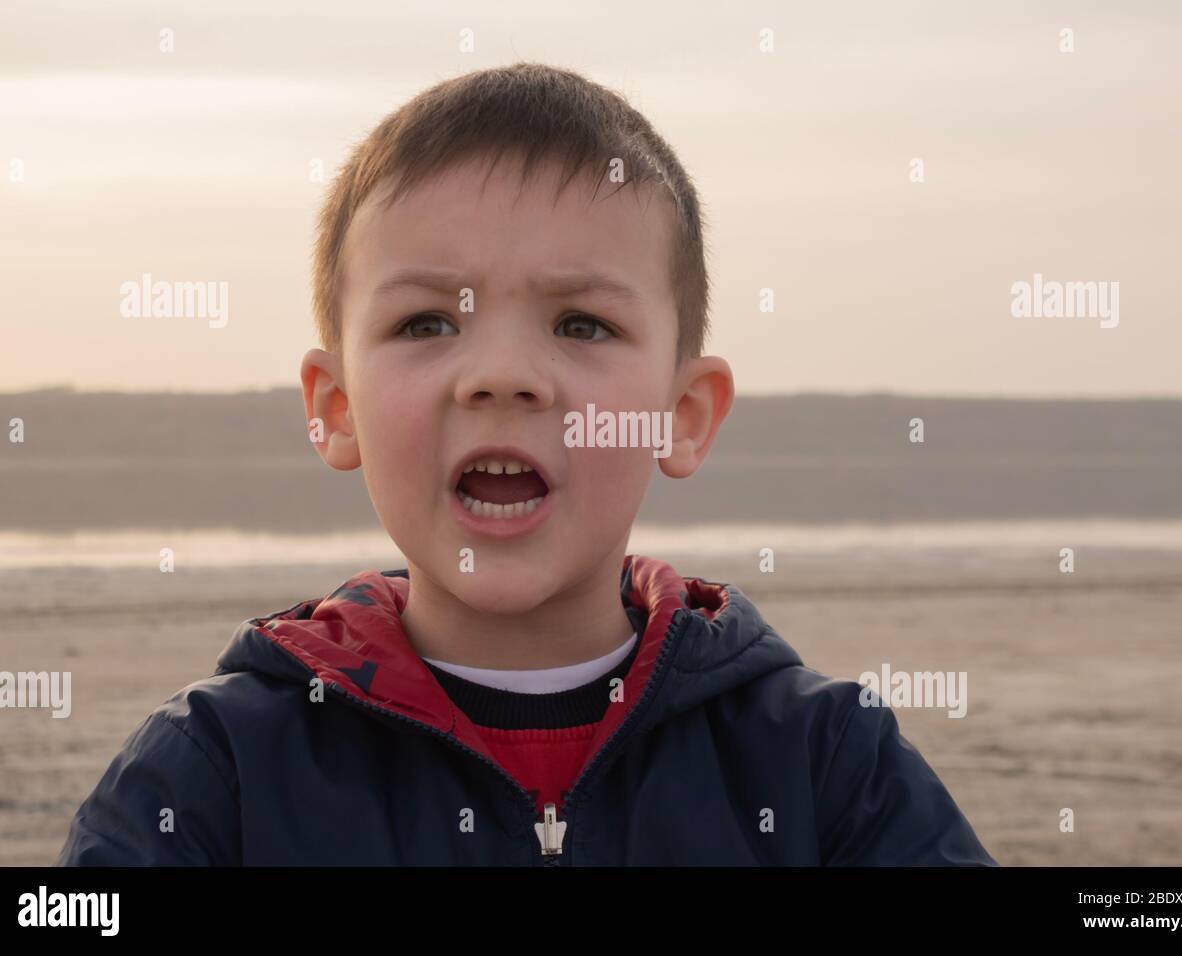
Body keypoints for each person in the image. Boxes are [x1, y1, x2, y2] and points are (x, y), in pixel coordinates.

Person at [57, 62, 996, 866]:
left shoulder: (823, 763)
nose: (502, 376)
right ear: (335, 410)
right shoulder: (216, 771)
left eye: (582, 324)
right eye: (427, 323)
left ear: (680, 416)